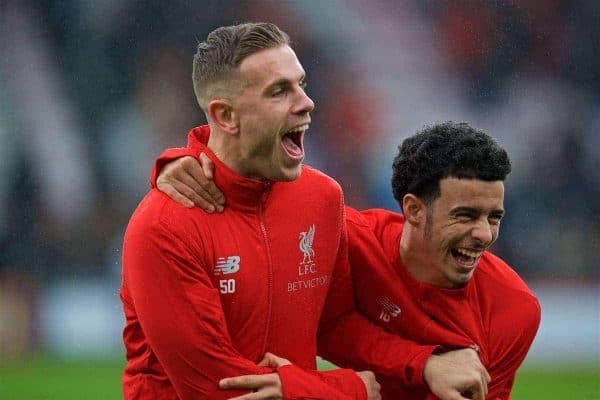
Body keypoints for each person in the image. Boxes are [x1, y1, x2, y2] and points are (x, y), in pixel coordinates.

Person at [122, 23, 489, 400]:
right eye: (280, 91)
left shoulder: (321, 197)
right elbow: (218, 391)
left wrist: (424, 363)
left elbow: (335, 325)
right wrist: (349, 390)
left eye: (301, 84)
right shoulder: (165, 226)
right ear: (226, 116)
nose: (306, 102)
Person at [153, 121, 541, 399]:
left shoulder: (513, 312)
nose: (484, 235)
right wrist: (181, 161)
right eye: (466, 215)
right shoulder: (345, 239)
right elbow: (253, 195)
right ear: (414, 209)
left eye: (494, 217)